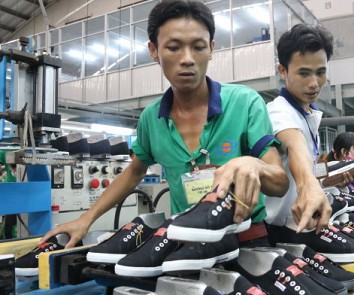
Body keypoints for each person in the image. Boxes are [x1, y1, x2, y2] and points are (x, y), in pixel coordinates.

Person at [41, 0, 289, 248]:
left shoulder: (244, 103)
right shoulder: (151, 118)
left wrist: (253, 165)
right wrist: (86, 219)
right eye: (173, 48)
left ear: (212, 48)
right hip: (184, 244)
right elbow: (134, 172)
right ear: (153, 50)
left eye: (199, 47)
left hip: (247, 243)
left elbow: (279, 183)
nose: (187, 59)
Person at [265, 23, 333, 233]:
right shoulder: (277, 112)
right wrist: (308, 186)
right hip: (277, 232)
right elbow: (294, 144)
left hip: (303, 225)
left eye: (320, 72)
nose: (314, 83)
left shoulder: (309, 114)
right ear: (283, 71)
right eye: (304, 73)